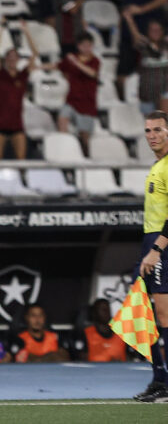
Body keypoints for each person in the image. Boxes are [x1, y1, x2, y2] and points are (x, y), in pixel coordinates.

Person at [135, 110, 168, 401]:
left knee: (162, 315)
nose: (152, 136)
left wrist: (157, 249)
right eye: (148, 131)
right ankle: (160, 379)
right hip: (151, 242)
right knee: (147, 316)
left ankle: (164, 382)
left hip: (160, 245)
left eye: (158, 130)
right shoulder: (158, 165)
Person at [0, 26, 38, 160]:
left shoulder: (23, 75)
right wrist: (1, 30)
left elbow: (35, 53)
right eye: (9, 56)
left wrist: (26, 31)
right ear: (6, 59)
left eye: (14, 56)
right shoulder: (1, 74)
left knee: (21, 160)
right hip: (0, 122)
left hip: (17, 123)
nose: (12, 59)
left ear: (18, 59)